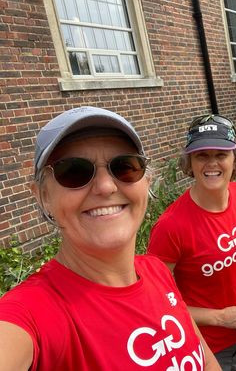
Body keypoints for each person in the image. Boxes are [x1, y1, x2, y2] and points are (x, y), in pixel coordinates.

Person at [0, 106, 220, 371]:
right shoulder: (34, 312)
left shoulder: (156, 271)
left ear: (146, 182)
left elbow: (205, 359)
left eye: (125, 167)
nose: (106, 186)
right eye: (73, 171)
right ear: (42, 196)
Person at [147, 114, 236, 371]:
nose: (212, 163)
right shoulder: (171, 227)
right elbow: (156, 302)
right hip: (202, 346)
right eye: (202, 155)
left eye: (221, 154)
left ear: (235, 159)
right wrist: (220, 317)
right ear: (189, 162)